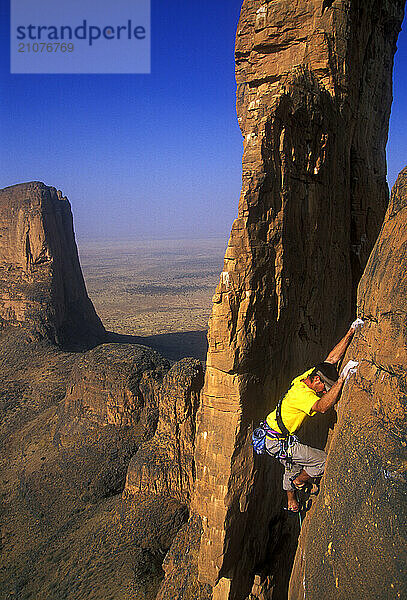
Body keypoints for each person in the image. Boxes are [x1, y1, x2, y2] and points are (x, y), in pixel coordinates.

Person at [265, 319, 363, 512]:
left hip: (277, 436)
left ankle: (291, 499)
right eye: (323, 387)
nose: (324, 390)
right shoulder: (301, 395)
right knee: (321, 461)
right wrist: (342, 379)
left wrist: (352, 330)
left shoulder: (310, 376)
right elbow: (323, 406)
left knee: (291, 462)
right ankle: (300, 482)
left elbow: (331, 360)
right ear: (317, 380)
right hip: (278, 441)